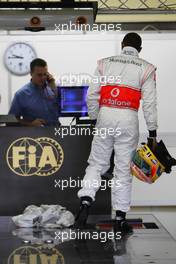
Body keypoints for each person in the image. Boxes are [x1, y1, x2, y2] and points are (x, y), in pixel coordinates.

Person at [75, 32, 157, 233]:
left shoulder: (104, 63)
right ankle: (120, 218)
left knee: (96, 164)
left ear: (122, 45)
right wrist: (152, 132)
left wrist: (95, 119)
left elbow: (92, 95)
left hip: (105, 116)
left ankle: (85, 202)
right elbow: (150, 103)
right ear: (140, 49)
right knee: (122, 170)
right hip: (128, 119)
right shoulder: (147, 68)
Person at [9, 58, 60, 126]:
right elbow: (11, 120)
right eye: (39, 75)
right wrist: (30, 124)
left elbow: (63, 109)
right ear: (31, 74)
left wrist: (54, 88)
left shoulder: (52, 89)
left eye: (45, 74)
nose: (43, 78)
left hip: (56, 132)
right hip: (34, 135)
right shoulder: (21, 94)